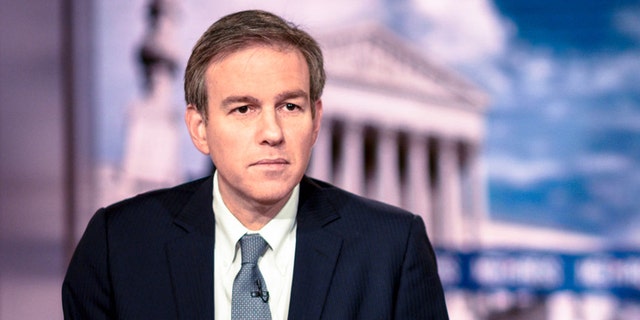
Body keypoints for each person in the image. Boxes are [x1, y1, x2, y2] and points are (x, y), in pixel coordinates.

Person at [62, 9, 449, 319]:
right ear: (200, 129)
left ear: (315, 122)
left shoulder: (393, 249)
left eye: (290, 106)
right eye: (244, 108)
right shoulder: (119, 245)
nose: (272, 132)